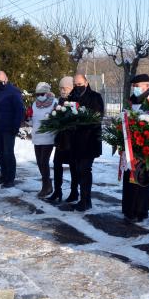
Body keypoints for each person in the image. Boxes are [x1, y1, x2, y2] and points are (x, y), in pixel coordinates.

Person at [121, 74, 149, 223]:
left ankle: (141, 210)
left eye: (138, 86)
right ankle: (129, 208)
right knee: (130, 177)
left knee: (142, 177)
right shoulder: (131, 101)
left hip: (147, 147)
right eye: (134, 86)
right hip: (131, 147)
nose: (135, 89)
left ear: (147, 86)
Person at [68, 74, 104, 211]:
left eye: (79, 84)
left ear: (86, 82)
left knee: (85, 170)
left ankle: (86, 200)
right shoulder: (72, 97)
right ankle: (80, 197)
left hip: (89, 141)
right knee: (77, 170)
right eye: (75, 84)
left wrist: (79, 122)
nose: (77, 87)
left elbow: (97, 117)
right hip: (75, 142)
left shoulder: (95, 97)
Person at [47, 76, 79, 202]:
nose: (62, 90)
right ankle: (57, 191)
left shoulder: (76, 100)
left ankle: (74, 191)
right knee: (57, 165)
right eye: (61, 88)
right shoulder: (60, 100)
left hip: (72, 141)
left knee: (73, 167)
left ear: (71, 88)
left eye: (65, 88)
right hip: (61, 139)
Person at [0, 71, 24, 188]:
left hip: (9, 128)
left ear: (6, 79)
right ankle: (4, 175)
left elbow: (19, 110)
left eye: (1, 80)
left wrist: (15, 126)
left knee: (8, 153)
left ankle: (10, 178)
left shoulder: (13, 92)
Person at [28, 82, 57, 197]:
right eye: (38, 94)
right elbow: (32, 120)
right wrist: (28, 118)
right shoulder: (35, 104)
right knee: (40, 162)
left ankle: (47, 186)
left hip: (48, 137)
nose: (40, 96)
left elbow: (57, 119)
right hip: (37, 137)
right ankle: (47, 183)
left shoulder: (54, 103)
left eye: (42, 93)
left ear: (48, 92)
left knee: (44, 161)